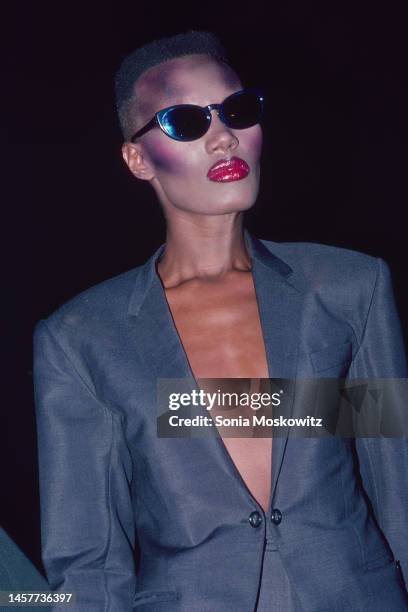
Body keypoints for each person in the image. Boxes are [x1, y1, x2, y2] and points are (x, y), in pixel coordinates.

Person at [33, 30, 408, 611]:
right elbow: (88, 562)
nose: (224, 136)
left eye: (236, 110)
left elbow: (397, 487)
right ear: (137, 158)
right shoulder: (83, 338)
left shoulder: (348, 288)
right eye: (186, 121)